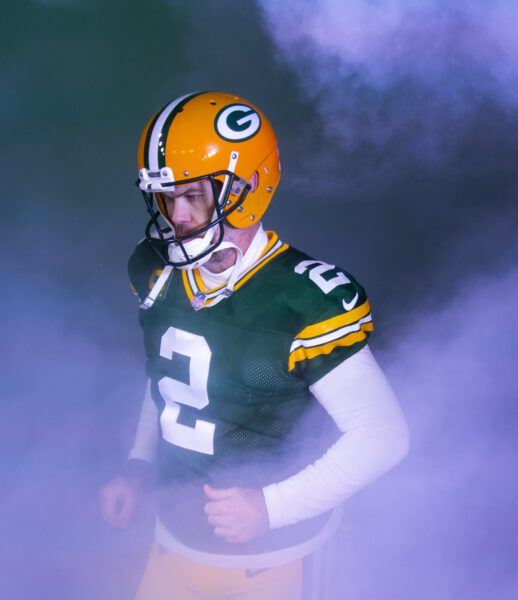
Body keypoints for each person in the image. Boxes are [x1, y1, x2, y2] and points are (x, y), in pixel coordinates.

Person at [100, 91, 409, 599]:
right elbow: (168, 378)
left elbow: (383, 437)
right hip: (174, 541)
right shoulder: (155, 270)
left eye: (194, 195)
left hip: (275, 562)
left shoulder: (302, 298)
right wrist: (138, 466)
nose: (176, 216)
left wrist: (272, 507)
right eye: (167, 196)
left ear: (249, 188)